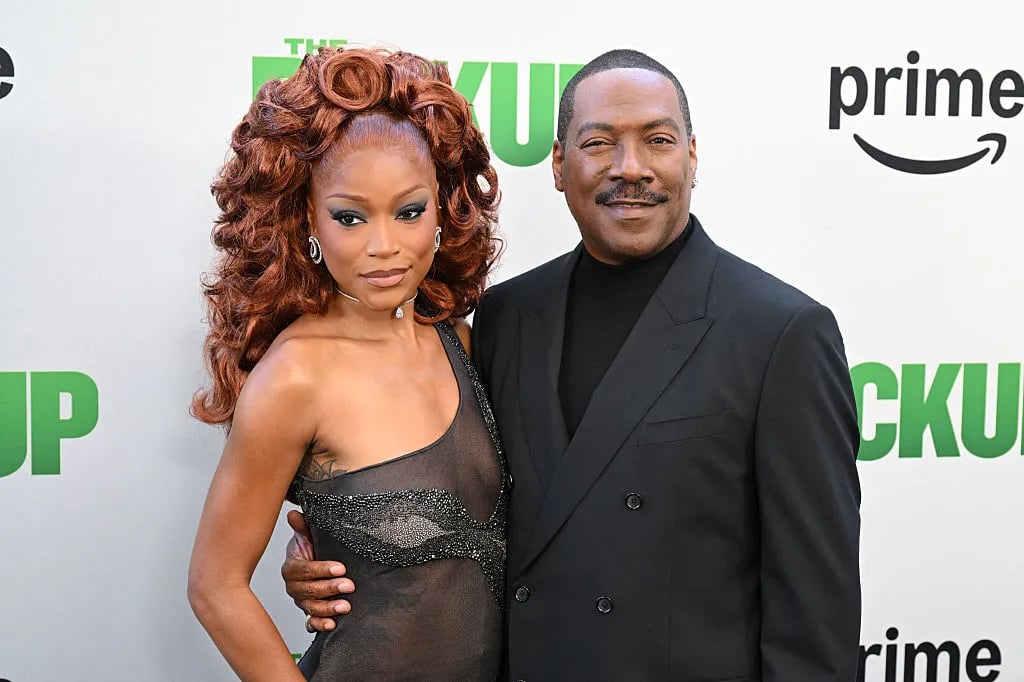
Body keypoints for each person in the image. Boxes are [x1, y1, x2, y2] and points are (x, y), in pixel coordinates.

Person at [285, 48, 862, 681]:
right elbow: (461, 503)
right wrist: (345, 555)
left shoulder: (781, 333)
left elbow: (815, 619)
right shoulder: (504, 318)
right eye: (599, 144)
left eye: (658, 141)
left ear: (692, 157)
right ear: (559, 165)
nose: (630, 168)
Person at [186, 46, 508, 681]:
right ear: (309, 215)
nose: (383, 246)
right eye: (350, 217)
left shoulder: (459, 344)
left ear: (442, 206)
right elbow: (215, 585)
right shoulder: (296, 375)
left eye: (409, 211)